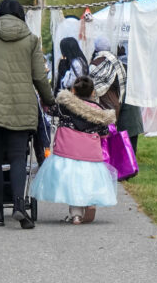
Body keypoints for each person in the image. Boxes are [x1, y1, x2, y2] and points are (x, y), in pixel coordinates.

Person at [0, 0, 53, 228]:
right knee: (17, 158)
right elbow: (39, 76)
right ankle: (18, 206)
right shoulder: (31, 39)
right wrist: (49, 100)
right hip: (21, 106)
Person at [32, 74, 116, 224]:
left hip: (67, 150)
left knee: (72, 183)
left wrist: (43, 96)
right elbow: (104, 134)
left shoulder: (65, 106)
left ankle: (76, 215)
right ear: (92, 93)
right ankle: (90, 203)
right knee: (88, 179)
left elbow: (48, 109)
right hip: (90, 152)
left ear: (73, 91)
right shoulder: (99, 111)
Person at [98, 36, 143, 154]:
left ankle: (129, 164)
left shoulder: (119, 68)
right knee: (130, 144)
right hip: (130, 110)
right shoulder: (126, 67)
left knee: (127, 149)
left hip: (127, 110)